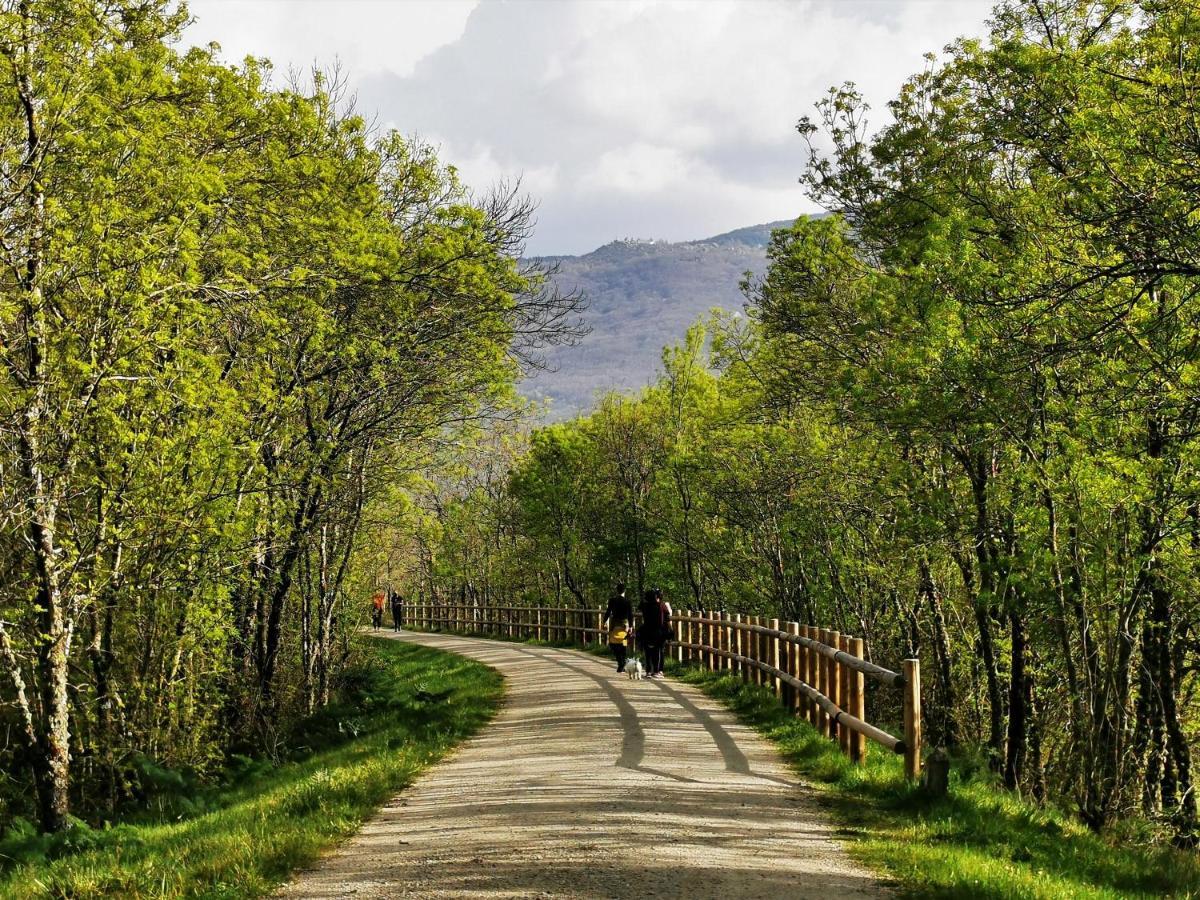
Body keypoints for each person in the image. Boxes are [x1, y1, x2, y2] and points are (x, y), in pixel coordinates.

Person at [638, 587, 671, 679]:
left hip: (646, 630)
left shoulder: (645, 606)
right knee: (658, 651)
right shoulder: (661, 606)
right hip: (658, 631)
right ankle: (657, 671)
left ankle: (648, 671)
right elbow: (667, 617)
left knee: (648, 651)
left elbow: (639, 607)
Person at [603, 582, 633, 673]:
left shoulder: (612, 600)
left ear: (617, 590)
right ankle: (622, 663)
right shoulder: (627, 602)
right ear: (624, 591)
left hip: (614, 626)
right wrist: (631, 626)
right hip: (625, 626)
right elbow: (630, 615)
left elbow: (608, 612)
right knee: (623, 644)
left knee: (613, 644)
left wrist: (604, 621)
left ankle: (620, 663)